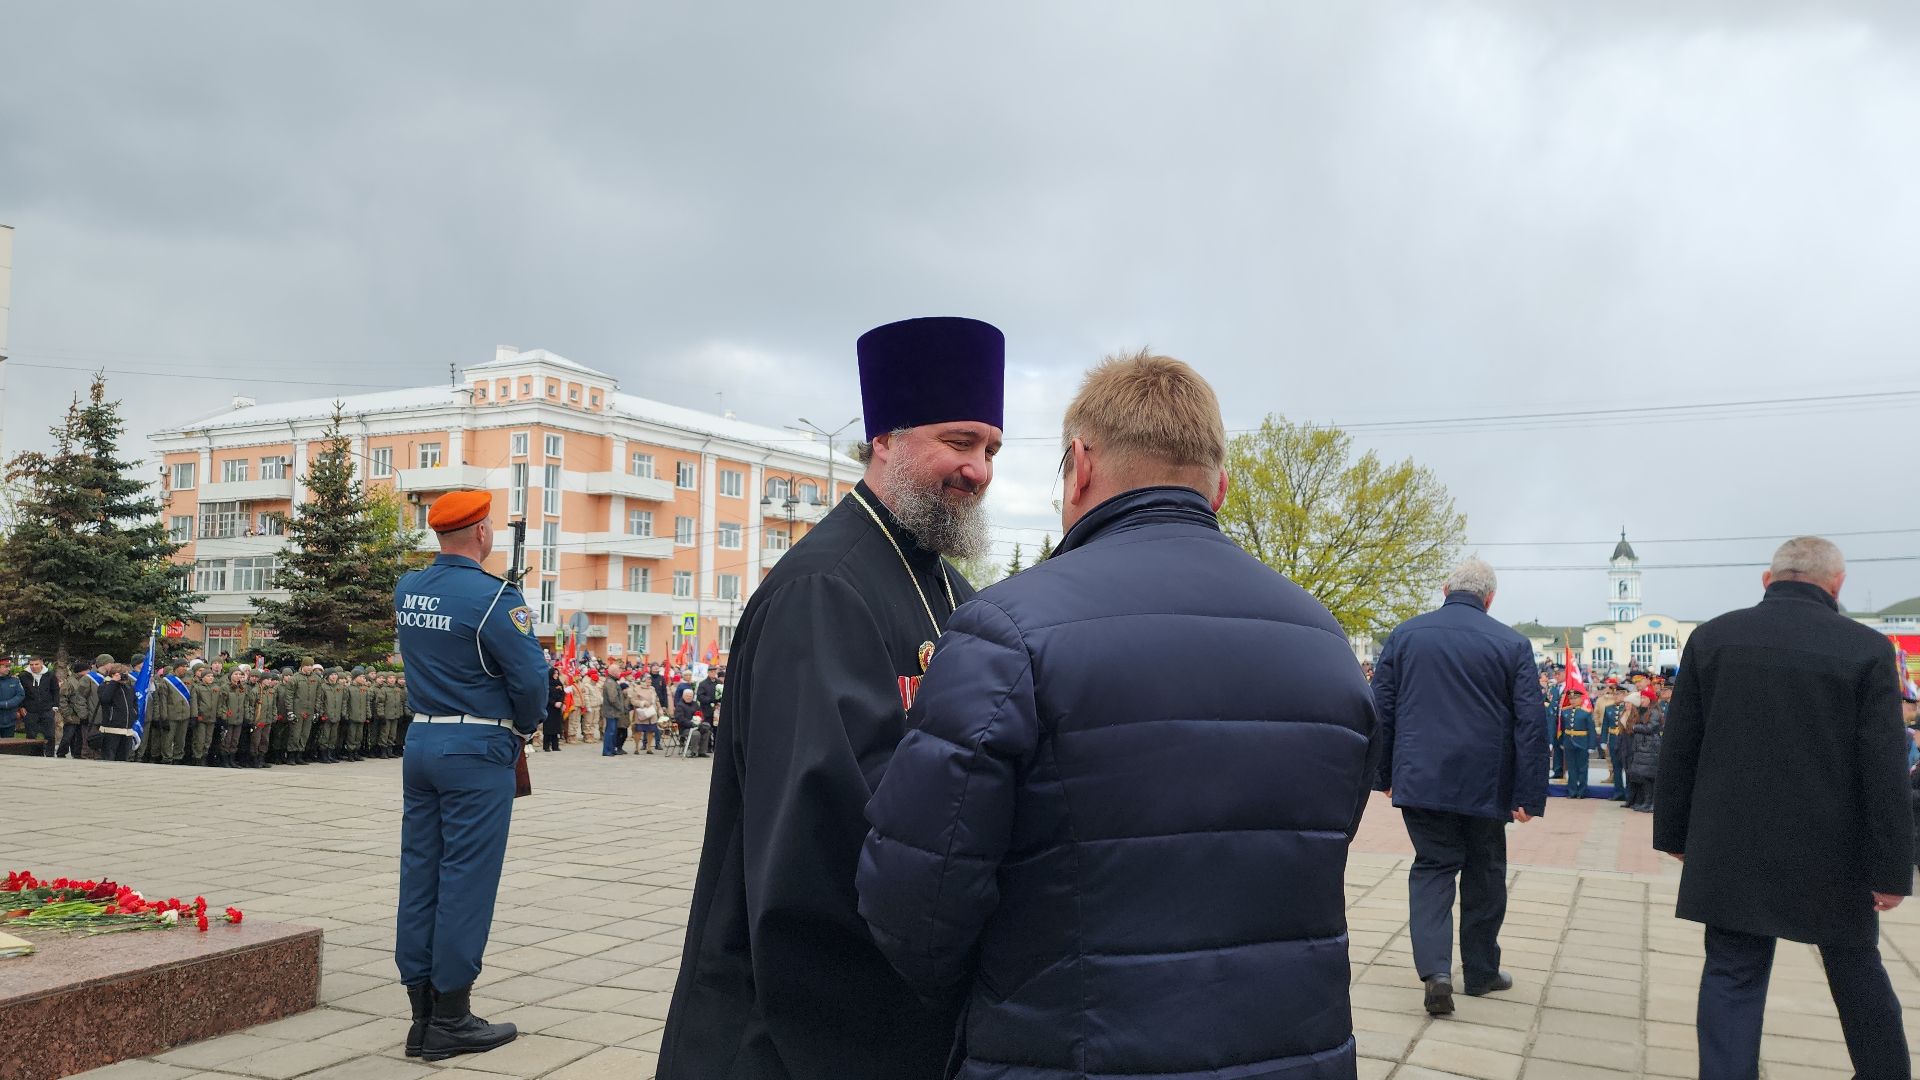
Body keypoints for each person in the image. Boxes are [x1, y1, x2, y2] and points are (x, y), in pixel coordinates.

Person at [857, 351, 1376, 1077]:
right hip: (1292, 1051)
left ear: (1080, 465)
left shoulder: (1005, 631)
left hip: (1069, 1051)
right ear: (1219, 486)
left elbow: (916, 899)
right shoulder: (1324, 643)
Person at [660, 315, 1005, 1079]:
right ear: (885, 436)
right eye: (958, 441)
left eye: (990, 449)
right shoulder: (826, 588)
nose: (978, 470)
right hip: (802, 1021)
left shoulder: (946, 583)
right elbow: (817, 843)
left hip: (894, 995)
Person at [1654, 536, 1913, 1080]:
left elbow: (1681, 748)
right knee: (1855, 971)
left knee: (1731, 973)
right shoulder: (1865, 649)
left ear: (1766, 580)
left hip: (1732, 844)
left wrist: (1677, 835)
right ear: (1836, 584)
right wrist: (1890, 869)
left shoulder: (1714, 638)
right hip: (1833, 850)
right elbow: (1885, 771)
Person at [392, 489, 546, 1062]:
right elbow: (531, 678)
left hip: (423, 738)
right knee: (465, 879)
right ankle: (451, 1019)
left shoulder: (408, 588)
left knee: (421, 873)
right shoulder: (494, 598)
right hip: (477, 746)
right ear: (481, 532)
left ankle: (420, 1017)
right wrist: (525, 727)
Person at [1372, 557, 1547, 1016]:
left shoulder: (1405, 636)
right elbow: (1530, 723)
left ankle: (1437, 973)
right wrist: (1529, 794)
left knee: (1432, 868)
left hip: (1422, 778)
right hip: (1486, 785)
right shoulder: (1512, 644)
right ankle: (1482, 973)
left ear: (1446, 588)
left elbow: (1381, 708)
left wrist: (1384, 774)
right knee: (1485, 872)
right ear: (1490, 599)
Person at [94, 663, 139, 762]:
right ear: (114, 674)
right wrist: (113, 682)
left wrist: (134, 714)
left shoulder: (129, 688)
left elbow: (134, 702)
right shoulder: (105, 686)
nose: (126, 677)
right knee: (109, 758)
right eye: (123, 674)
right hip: (111, 728)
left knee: (123, 759)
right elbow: (105, 699)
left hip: (127, 729)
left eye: (127, 674)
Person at [20, 657, 60, 755]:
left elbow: (55, 691)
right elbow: (21, 693)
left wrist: (55, 706)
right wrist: (21, 706)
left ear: (41, 664)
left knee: (50, 735)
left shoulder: (50, 675)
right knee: (31, 735)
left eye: (36, 664)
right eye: (31, 664)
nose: (34, 667)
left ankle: (50, 754)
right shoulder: (23, 676)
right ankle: (34, 755)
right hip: (30, 710)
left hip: (47, 709)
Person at [1559, 693, 1596, 798]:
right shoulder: (1565, 711)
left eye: (1575, 698)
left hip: (1582, 743)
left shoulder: (1586, 713)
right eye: (1571, 698)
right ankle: (1572, 791)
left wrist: (1591, 746)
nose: (1573, 700)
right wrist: (1562, 742)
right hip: (1568, 742)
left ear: (1581, 699)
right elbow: (1562, 729)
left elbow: (1591, 730)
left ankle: (1582, 791)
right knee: (1571, 768)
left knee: (1582, 768)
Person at [600, 667, 630, 756]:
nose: (619, 673)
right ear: (613, 672)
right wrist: (620, 707)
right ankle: (607, 750)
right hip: (611, 711)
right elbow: (613, 698)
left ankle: (612, 749)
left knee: (613, 731)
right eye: (618, 672)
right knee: (610, 731)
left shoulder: (613, 681)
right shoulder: (610, 682)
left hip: (613, 711)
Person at [628, 677, 660, 753]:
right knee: (638, 731)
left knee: (651, 731)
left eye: (650, 679)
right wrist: (643, 703)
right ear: (643, 680)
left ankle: (649, 748)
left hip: (652, 713)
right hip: (641, 713)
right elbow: (633, 701)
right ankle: (636, 748)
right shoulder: (637, 688)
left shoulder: (652, 688)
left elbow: (657, 699)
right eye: (648, 679)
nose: (650, 681)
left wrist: (659, 708)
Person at [542, 669, 565, 752]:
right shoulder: (547, 684)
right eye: (554, 673)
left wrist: (561, 701)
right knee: (549, 727)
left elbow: (563, 693)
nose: (556, 675)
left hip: (557, 709)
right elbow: (546, 696)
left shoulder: (559, 683)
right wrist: (554, 703)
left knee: (556, 727)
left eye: (557, 673)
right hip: (549, 708)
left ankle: (555, 745)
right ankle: (546, 746)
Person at [0, 658, 23, 738]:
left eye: (9, 666)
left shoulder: (14, 680)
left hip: (9, 719)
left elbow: (20, 695)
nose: (8, 669)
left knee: (8, 747)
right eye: (6, 666)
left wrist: (7, 704)